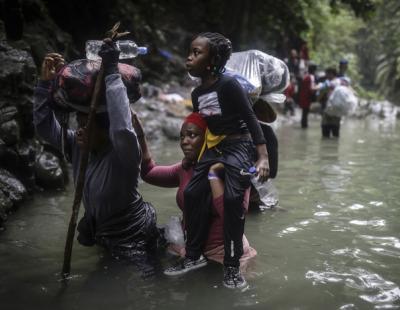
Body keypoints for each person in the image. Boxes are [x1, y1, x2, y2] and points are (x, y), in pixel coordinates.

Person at [33, 43, 159, 264]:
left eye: (87, 124)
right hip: (103, 233)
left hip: (133, 237)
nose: (80, 129)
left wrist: (111, 73)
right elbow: (45, 128)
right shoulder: (77, 145)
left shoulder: (124, 155)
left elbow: (122, 127)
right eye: (79, 122)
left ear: (107, 130)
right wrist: (44, 84)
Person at [163, 32, 269, 289]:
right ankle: (194, 254)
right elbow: (203, 129)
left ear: (213, 61)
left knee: (233, 200)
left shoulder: (229, 85)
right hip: (215, 147)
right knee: (192, 192)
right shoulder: (197, 93)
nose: (189, 57)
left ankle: (232, 267)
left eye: (196, 53)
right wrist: (191, 157)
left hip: (239, 145)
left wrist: (262, 156)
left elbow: (250, 118)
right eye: (190, 51)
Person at [132, 112, 257, 267]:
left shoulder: (231, 169)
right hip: (193, 253)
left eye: (192, 135)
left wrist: (213, 176)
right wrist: (140, 136)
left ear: (209, 139)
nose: (184, 141)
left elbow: (233, 217)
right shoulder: (186, 168)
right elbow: (149, 173)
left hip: (224, 257)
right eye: (182, 136)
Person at [298, 62, 317, 128]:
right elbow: (311, 89)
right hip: (307, 98)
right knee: (305, 113)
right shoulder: (311, 77)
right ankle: (304, 127)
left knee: (304, 113)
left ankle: (303, 126)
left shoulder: (305, 76)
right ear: (314, 70)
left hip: (303, 96)